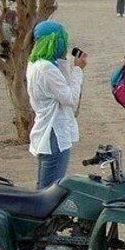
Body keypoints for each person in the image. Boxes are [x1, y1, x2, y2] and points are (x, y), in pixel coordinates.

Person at [26, 21, 86, 189]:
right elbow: (70, 99)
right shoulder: (46, 69)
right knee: (50, 188)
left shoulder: (36, 64)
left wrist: (65, 62)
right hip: (54, 132)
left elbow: (61, 85)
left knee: (45, 185)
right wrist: (78, 70)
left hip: (46, 129)